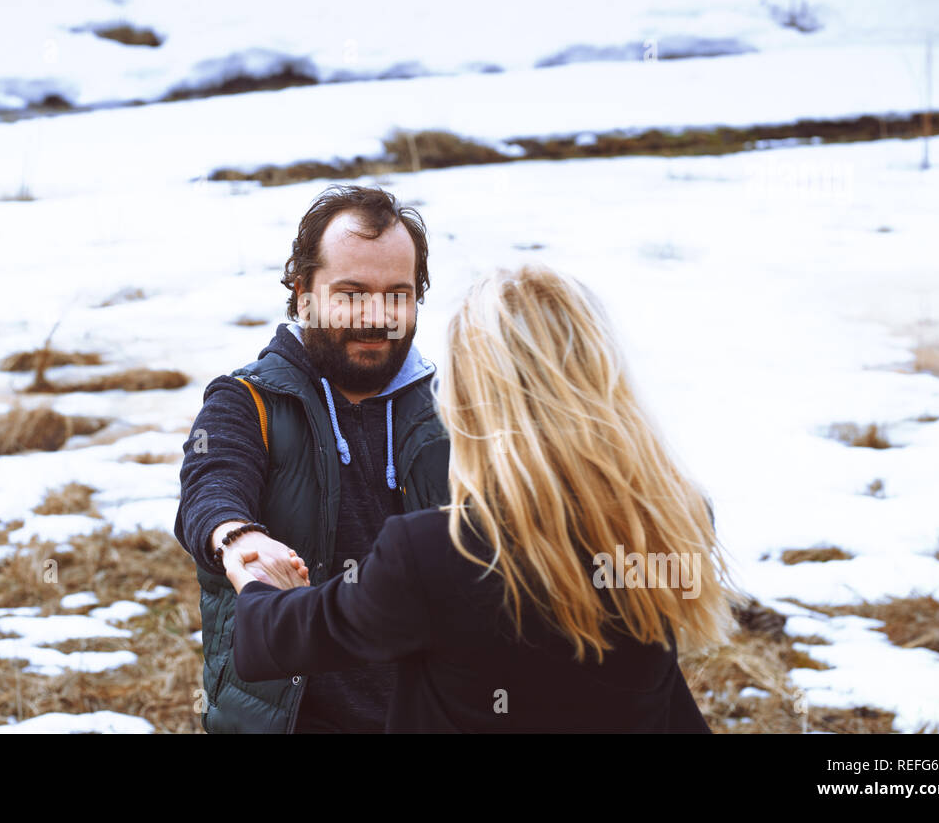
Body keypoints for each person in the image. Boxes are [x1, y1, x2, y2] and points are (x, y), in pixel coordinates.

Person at [223, 263, 743, 732]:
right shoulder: (676, 518)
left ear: (478, 395)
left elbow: (302, 633)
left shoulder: (436, 553)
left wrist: (255, 581)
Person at [173, 184, 452, 733]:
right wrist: (239, 539)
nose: (377, 316)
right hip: (293, 719)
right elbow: (210, 485)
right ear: (303, 293)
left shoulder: (452, 413)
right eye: (351, 293)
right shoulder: (246, 400)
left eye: (397, 294)